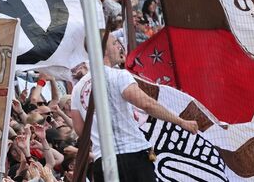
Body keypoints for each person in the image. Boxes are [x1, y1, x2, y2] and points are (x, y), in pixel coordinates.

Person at [70, 33, 198, 181]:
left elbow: (80, 130)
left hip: (102, 163)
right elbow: (146, 104)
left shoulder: (77, 89)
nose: (119, 47)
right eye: (114, 43)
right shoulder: (118, 76)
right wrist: (181, 121)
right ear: (104, 51)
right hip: (132, 157)